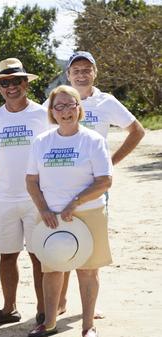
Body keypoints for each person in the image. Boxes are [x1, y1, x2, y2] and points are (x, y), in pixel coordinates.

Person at [45, 51, 145, 315]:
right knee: (61, 241)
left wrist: (110, 162)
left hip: (94, 189)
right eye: (76, 69)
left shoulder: (105, 102)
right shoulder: (58, 99)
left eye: (86, 69)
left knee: (90, 246)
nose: (81, 73)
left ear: (94, 72)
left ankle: (89, 310)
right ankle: (62, 302)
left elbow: (137, 131)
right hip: (61, 187)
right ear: (68, 74)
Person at [26, 85, 112, 337]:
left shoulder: (92, 140)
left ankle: (88, 326)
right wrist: (43, 209)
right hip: (50, 217)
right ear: (52, 112)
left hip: (88, 213)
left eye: (70, 105)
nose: (65, 111)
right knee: (52, 270)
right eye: (58, 106)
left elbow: (105, 180)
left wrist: (74, 203)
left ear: (79, 108)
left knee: (87, 271)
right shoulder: (42, 141)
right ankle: (49, 323)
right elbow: (31, 181)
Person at [0, 58, 51, 327]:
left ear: (26, 83)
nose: (11, 87)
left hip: (37, 198)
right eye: (5, 82)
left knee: (38, 256)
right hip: (5, 197)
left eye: (16, 81)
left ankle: (43, 310)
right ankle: (9, 308)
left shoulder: (42, 114)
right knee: (7, 255)